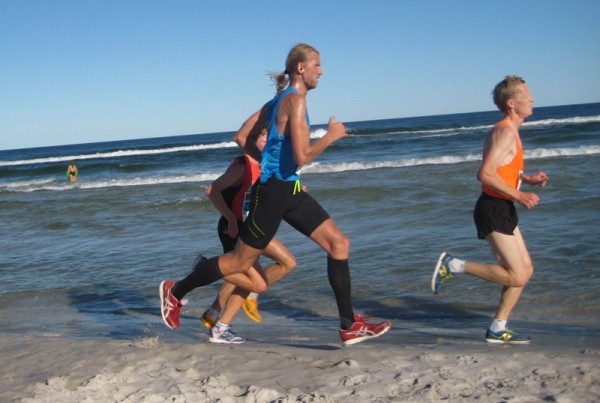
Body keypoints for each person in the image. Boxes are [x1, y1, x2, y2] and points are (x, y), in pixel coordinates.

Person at [160, 43, 391, 346]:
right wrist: (331, 137)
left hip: (289, 188)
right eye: (317, 65)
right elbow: (303, 155)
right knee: (239, 263)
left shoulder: (275, 102)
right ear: (301, 68)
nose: (321, 71)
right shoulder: (295, 102)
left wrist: (268, 161)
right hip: (272, 193)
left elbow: (241, 137)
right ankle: (175, 291)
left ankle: (348, 325)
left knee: (339, 243)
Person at [431, 75, 549, 344]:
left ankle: (498, 327)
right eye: (526, 95)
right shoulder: (505, 131)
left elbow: (502, 171)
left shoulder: (510, 131)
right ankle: (454, 265)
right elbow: (485, 174)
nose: (532, 99)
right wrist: (519, 194)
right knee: (517, 274)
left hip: (501, 205)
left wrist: (528, 179)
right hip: (493, 208)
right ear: (511, 103)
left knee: (525, 272)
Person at [201, 127, 297, 344]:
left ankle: (214, 314)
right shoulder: (243, 165)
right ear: (252, 142)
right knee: (285, 263)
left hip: (252, 227)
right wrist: (232, 220)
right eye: (264, 140)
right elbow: (211, 191)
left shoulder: (265, 166)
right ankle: (235, 293)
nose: (269, 145)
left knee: (241, 272)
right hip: (236, 228)